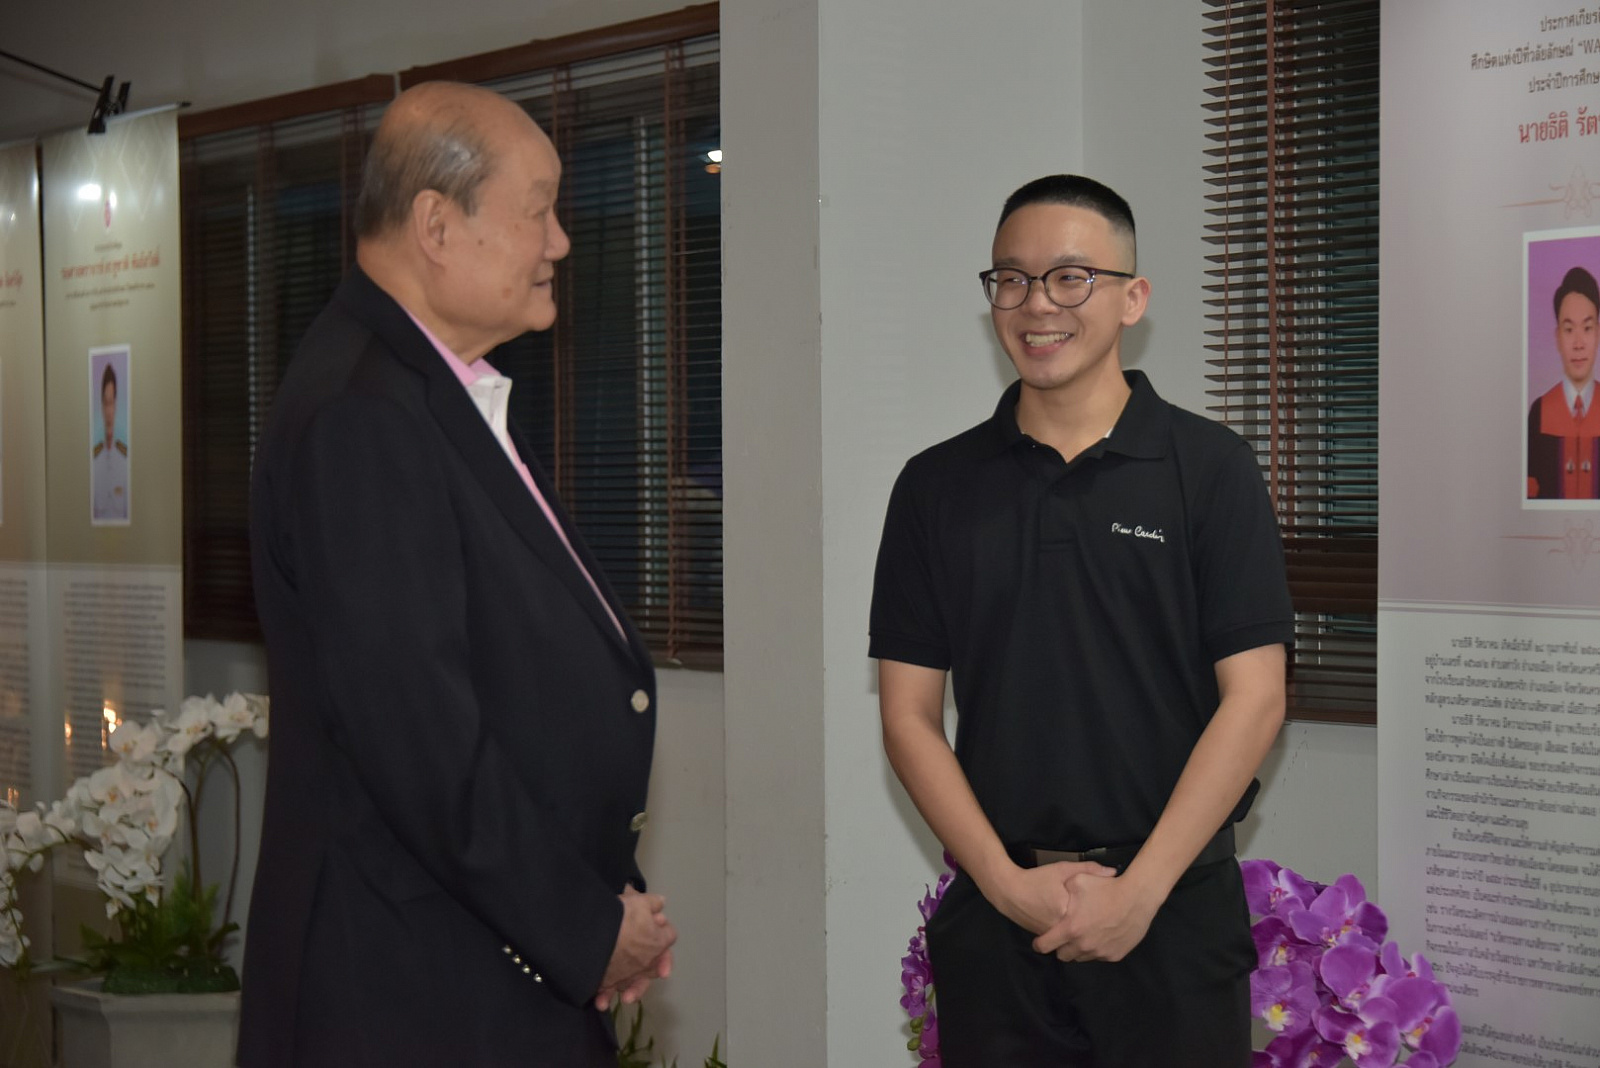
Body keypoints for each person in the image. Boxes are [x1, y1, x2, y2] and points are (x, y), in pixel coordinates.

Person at [239, 82, 675, 1068]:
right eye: (538, 210)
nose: (560, 242)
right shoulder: (363, 415)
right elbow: (420, 737)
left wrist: (601, 901)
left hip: (481, 967)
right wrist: (584, 929)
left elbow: (515, 688)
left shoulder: (429, 392)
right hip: (411, 992)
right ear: (436, 225)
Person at [869, 175, 1293, 1067]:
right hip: (1001, 921)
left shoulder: (1210, 468)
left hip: (1172, 914)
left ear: (1133, 298)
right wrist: (1001, 882)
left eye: (1071, 277)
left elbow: (1255, 699)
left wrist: (1139, 892)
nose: (1037, 304)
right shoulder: (935, 487)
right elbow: (908, 716)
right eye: (1012, 279)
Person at [1528, 265, 1600, 499]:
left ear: (1598, 334)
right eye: (1569, 330)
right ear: (1558, 337)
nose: (1578, 343)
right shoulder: (1539, 414)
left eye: (1587, 328)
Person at [91, 363, 128, 521]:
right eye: (105, 403)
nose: (108, 411)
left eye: (111, 403)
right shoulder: (93, 459)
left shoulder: (125, 459)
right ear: (101, 406)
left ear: (116, 404)